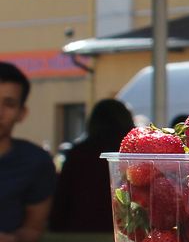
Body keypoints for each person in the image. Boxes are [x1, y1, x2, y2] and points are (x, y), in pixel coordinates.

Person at [50, 98, 136, 233]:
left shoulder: (78, 153)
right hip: (126, 230)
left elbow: (62, 199)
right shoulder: (134, 155)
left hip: (79, 230)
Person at [0, 61, 57, 242]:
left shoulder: (37, 162)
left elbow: (33, 230)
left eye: (8, 104)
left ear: (21, 113)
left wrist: (10, 240)